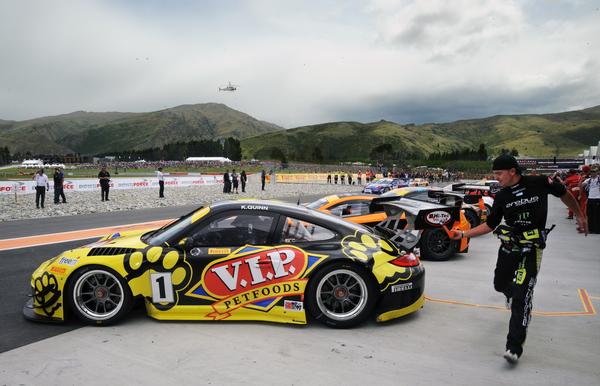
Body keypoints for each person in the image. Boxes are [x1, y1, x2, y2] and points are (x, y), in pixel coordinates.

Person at [448, 154, 587, 364]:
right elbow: (490, 225)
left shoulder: (539, 182)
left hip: (531, 249)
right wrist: (464, 235)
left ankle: (514, 347)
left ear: (513, 171)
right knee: (499, 284)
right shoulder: (502, 196)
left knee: (522, 295)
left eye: (499, 173)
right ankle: (513, 296)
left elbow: (564, 193)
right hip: (508, 248)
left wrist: (579, 214)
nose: (496, 177)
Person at [582, 167, 600, 234]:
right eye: (592, 172)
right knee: (589, 214)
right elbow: (581, 185)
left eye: (594, 172)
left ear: (597, 172)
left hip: (598, 199)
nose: (593, 173)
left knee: (597, 215)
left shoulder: (599, 179)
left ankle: (597, 230)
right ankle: (591, 229)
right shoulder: (589, 180)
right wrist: (582, 181)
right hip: (590, 199)